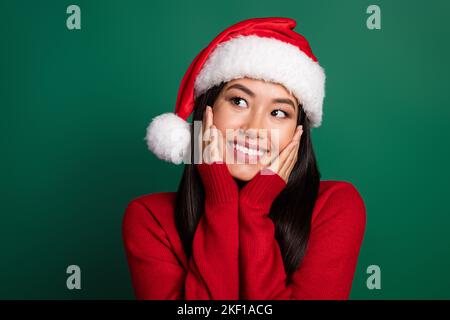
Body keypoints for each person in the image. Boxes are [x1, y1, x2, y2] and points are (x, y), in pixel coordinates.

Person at [122, 17, 366, 300]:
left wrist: (253, 209)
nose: (254, 130)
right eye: (239, 101)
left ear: (297, 133)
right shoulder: (149, 219)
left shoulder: (335, 206)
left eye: (279, 113)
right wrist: (221, 199)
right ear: (206, 111)